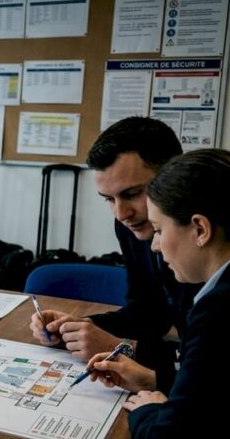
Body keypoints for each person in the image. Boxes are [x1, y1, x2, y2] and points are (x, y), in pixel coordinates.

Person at [84, 148, 230, 439]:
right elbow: (215, 391)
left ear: (200, 229)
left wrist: (147, 410)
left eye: (161, 231)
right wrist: (154, 380)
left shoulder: (217, 309)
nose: (153, 244)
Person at [29, 117, 201, 364]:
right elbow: (148, 314)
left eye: (131, 194)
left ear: (172, 178)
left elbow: (202, 364)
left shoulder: (204, 246)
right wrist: (79, 328)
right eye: (109, 199)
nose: (121, 214)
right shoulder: (131, 226)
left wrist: (119, 349)